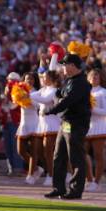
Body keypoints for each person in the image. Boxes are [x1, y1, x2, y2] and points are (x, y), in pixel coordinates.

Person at [44, 53, 91, 200]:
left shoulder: (81, 83)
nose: (63, 67)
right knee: (59, 156)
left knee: (76, 157)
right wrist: (59, 102)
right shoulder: (69, 81)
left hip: (76, 124)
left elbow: (67, 100)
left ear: (72, 66)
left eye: (65, 64)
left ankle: (76, 190)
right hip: (65, 123)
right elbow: (58, 95)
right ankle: (58, 188)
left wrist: (52, 110)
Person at [30, 70, 61, 186]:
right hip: (42, 123)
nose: (42, 79)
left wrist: (25, 93)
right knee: (40, 151)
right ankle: (51, 172)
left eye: (45, 77)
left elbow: (45, 100)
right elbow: (36, 98)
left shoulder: (54, 90)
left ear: (51, 79)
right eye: (42, 77)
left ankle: (52, 175)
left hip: (52, 123)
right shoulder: (43, 90)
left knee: (49, 152)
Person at [15, 72, 43, 185]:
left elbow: (39, 106)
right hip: (23, 123)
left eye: (31, 79)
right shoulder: (19, 90)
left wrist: (29, 98)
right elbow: (14, 103)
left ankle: (31, 174)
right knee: (20, 150)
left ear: (35, 80)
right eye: (27, 79)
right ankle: (37, 168)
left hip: (35, 122)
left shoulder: (37, 92)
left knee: (34, 151)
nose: (29, 81)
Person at [85, 69, 106, 192]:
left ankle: (97, 182)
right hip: (86, 126)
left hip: (99, 126)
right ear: (88, 78)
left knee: (98, 155)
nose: (94, 77)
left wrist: (93, 109)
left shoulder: (103, 92)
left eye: (97, 76)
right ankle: (89, 179)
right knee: (82, 152)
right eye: (92, 76)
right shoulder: (84, 91)